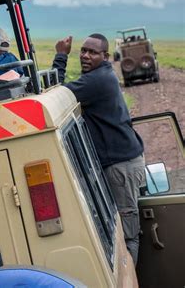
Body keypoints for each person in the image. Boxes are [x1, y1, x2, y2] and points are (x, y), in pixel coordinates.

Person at [52, 34, 145, 265]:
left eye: (92, 52)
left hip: (119, 166)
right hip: (120, 163)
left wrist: (61, 56)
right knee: (119, 230)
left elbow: (54, 97)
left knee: (128, 234)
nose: (85, 55)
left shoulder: (97, 81)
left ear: (105, 56)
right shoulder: (100, 77)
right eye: (82, 50)